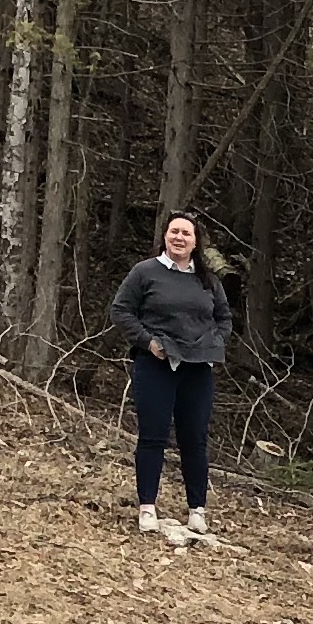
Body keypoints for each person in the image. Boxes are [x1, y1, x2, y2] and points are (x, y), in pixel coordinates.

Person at [109, 212, 231, 543]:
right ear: (164, 236)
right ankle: (147, 507)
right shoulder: (145, 272)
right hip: (156, 366)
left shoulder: (207, 280)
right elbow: (120, 310)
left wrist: (213, 342)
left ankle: (197, 511)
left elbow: (224, 317)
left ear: (196, 242)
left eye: (186, 234)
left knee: (195, 439)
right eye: (174, 231)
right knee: (153, 436)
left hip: (197, 369)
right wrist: (148, 342)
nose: (179, 238)